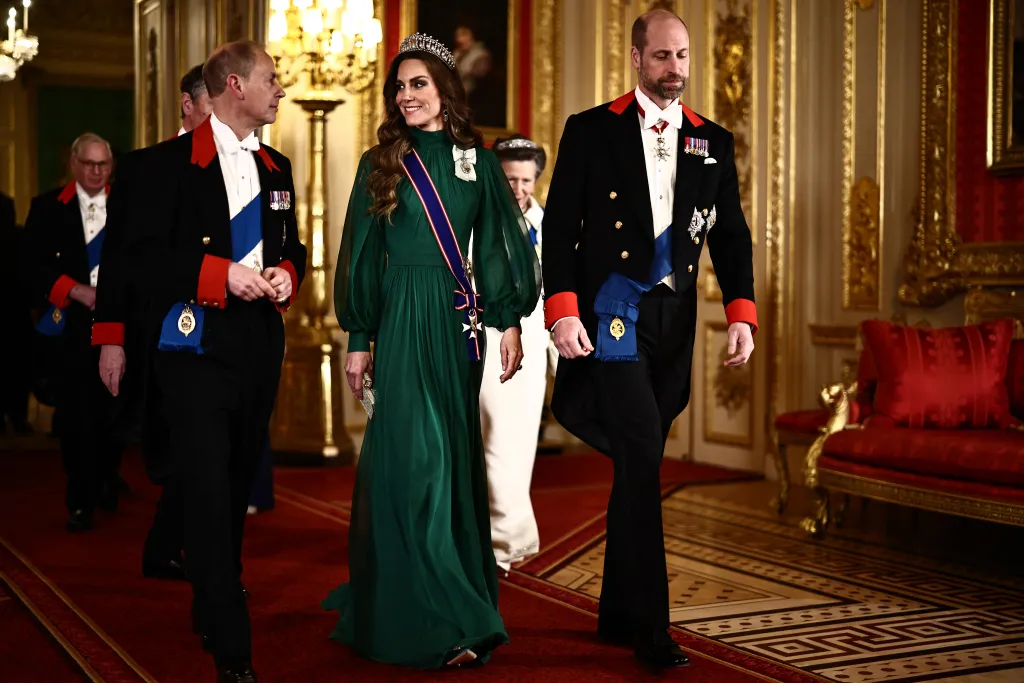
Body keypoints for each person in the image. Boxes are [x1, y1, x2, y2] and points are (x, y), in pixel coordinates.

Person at [542, 9, 756, 669]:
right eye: (662, 56)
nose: (675, 69)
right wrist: (562, 310)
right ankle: (654, 628)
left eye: (683, 56)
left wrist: (743, 313)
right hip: (611, 315)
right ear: (636, 57)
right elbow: (560, 229)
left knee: (637, 462)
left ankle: (614, 611)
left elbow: (730, 235)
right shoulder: (590, 130)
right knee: (641, 456)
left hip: (673, 322)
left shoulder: (711, 141)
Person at [323, 32, 540, 669]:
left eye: (419, 84)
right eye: (400, 86)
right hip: (397, 323)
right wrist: (359, 336)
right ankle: (427, 611)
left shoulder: (477, 159)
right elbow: (360, 252)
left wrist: (507, 322)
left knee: (449, 458)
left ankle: (452, 600)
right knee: (413, 460)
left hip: (454, 327)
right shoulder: (380, 161)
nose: (406, 95)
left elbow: (504, 241)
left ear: (445, 90)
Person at [120, 40, 305, 683]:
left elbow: (294, 248)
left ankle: (209, 594)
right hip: (193, 347)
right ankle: (233, 648)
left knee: (231, 485)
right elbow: (138, 260)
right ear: (234, 85)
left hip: (258, 346)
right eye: (272, 80)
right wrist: (219, 276)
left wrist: (284, 274)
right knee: (203, 485)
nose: (281, 90)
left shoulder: (278, 166)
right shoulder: (160, 167)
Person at [23, 133, 125, 531]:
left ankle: (106, 478)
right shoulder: (48, 208)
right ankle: (80, 498)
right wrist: (76, 290)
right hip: (74, 327)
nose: (96, 172)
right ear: (73, 163)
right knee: (78, 415)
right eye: (89, 164)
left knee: (114, 411)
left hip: (119, 325)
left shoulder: (128, 207)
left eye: (103, 164)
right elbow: (30, 268)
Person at [480, 133, 549, 574]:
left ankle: (509, 539)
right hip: (488, 341)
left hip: (535, 345)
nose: (519, 189)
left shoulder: (548, 224)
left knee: (519, 444)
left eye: (526, 180)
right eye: (510, 179)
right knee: (494, 441)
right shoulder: (479, 221)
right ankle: (499, 542)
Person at [0, 191, 33, 435]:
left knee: (17, 367)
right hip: (17, 312)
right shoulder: (20, 238)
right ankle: (17, 416)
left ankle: (13, 416)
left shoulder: (21, 239)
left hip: (16, 311)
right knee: (18, 369)